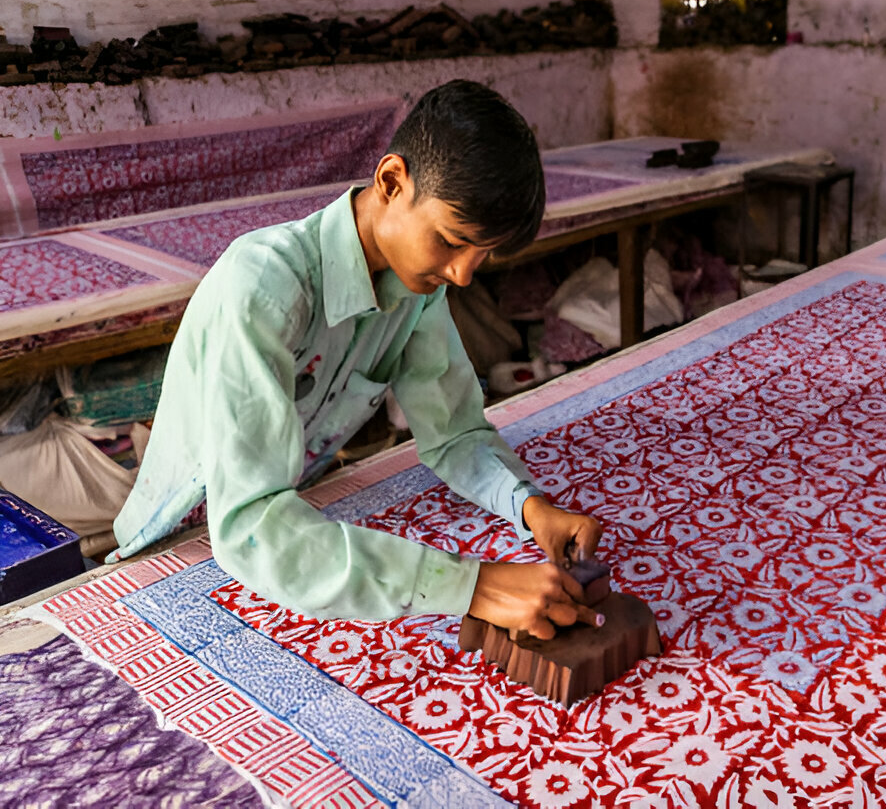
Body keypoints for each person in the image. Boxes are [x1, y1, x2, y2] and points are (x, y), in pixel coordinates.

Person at [110, 80, 603, 640]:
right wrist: (472, 585)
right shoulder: (264, 288)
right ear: (392, 182)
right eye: (450, 239)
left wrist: (530, 507)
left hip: (293, 523)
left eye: (481, 254)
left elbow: (454, 433)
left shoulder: (416, 290)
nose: (464, 273)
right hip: (186, 544)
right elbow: (247, 526)